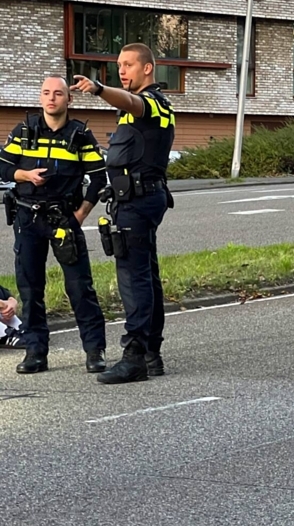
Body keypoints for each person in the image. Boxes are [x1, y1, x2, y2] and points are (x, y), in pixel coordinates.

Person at [71, 43, 175, 385]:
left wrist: (99, 89)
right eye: (119, 65)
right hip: (134, 200)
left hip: (139, 201)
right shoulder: (133, 111)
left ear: (148, 68)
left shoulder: (153, 103)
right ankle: (150, 353)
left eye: (128, 65)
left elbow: (133, 101)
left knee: (134, 279)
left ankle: (134, 357)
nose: (122, 70)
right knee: (146, 276)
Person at [0, 77, 108, 373]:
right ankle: (35, 352)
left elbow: (99, 177)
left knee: (80, 288)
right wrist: (24, 175)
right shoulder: (24, 130)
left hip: (65, 219)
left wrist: (81, 215)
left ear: (68, 100)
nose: (52, 98)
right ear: (40, 98)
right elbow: (2, 165)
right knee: (31, 289)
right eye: (46, 93)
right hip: (27, 218)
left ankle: (94, 351)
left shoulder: (80, 134)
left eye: (58, 93)